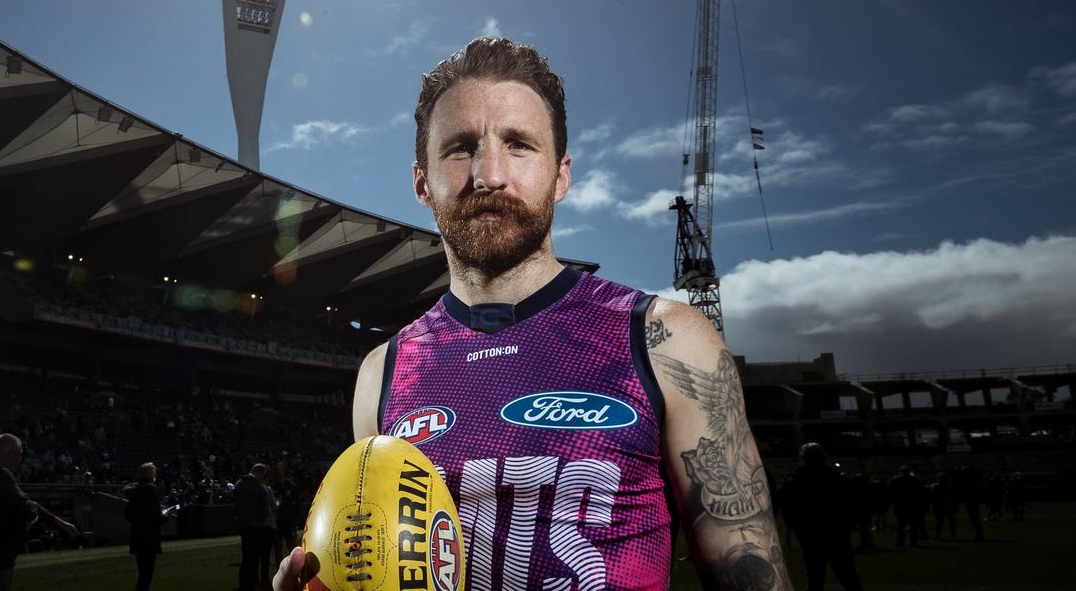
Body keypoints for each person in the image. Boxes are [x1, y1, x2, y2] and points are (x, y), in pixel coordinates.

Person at [274, 38, 792, 591]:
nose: (489, 174)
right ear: (422, 182)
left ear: (561, 175)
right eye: (460, 148)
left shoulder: (667, 340)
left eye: (519, 144)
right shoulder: (383, 372)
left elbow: (752, 572)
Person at [0, 434, 79, 590]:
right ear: (10, 454)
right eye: (20, 454)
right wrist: (44, 519)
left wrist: (57, 522)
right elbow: (27, 509)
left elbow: (25, 504)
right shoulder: (0, 476)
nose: (21, 459)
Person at [779, 444, 864, 591]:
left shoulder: (797, 480)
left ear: (804, 458)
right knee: (849, 578)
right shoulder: (837, 477)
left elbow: (789, 509)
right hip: (837, 533)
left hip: (811, 535)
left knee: (815, 580)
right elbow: (852, 505)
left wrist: (798, 529)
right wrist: (847, 526)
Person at [124, 463, 169, 591]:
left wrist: (140, 520)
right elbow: (156, 516)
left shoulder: (134, 491)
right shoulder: (151, 490)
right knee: (147, 575)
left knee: (142, 573)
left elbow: (128, 514)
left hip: (137, 535)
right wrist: (165, 517)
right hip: (149, 537)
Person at [234, 463, 276, 591]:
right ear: (261, 473)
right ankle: (252, 583)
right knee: (255, 558)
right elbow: (266, 512)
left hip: (243, 526)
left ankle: (243, 584)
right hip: (257, 527)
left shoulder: (238, 484)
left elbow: (235, 507)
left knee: (246, 557)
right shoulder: (259, 487)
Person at [888, 465, 924, 547]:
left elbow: (890, 491)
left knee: (901, 525)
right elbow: (920, 492)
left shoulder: (896, 479)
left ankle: (900, 542)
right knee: (913, 525)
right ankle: (913, 542)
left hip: (900, 504)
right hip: (912, 505)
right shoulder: (914, 479)